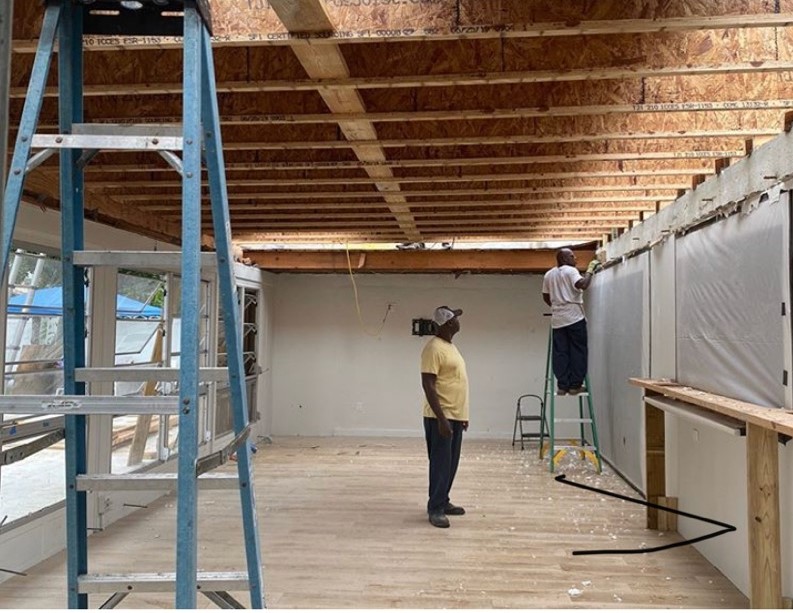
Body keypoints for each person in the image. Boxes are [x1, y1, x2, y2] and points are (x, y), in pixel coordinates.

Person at [420, 305, 469, 529]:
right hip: (440, 416)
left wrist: (462, 415)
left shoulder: (450, 347)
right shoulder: (433, 348)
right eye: (456, 318)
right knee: (440, 463)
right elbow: (428, 385)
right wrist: (441, 419)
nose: (459, 321)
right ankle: (435, 508)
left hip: (454, 415)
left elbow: (455, 381)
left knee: (450, 463)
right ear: (448, 323)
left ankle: (443, 499)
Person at [541, 249, 600, 395]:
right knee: (578, 351)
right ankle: (575, 385)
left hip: (558, 319)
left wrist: (557, 306)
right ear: (564, 258)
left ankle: (562, 386)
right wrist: (590, 271)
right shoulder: (570, 271)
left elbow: (546, 296)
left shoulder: (549, 274)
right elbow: (583, 284)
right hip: (574, 318)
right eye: (572, 256)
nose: (576, 258)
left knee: (560, 352)